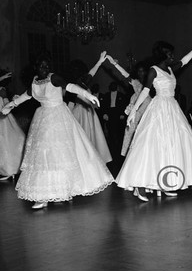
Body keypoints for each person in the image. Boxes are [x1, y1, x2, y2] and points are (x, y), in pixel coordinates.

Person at [0, 55, 114, 209]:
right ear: (36, 67)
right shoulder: (35, 81)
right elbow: (27, 95)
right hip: (42, 118)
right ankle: (43, 196)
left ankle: (63, 190)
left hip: (59, 117)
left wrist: (88, 95)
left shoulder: (54, 78)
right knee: (43, 157)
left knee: (60, 155)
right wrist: (11, 105)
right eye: (42, 66)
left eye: (47, 66)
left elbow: (71, 87)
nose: (45, 69)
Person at [115, 39, 192, 202]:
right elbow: (145, 92)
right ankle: (140, 185)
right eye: (169, 53)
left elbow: (184, 61)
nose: (172, 56)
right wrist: (133, 111)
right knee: (152, 144)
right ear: (162, 54)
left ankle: (167, 183)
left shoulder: (170, 69)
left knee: (172, 145)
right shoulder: (153, 70)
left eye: (172, 53)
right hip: (159, 107)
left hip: (172, 108)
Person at [68, 53, 112, 164]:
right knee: (84, 140)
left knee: (93, 139)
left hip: (89, 113)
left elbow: (90, 74)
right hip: (80, 114)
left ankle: (93, 161)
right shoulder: (73, 86)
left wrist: (100, 61)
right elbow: (70, 103)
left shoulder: (82, 83)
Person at [105, 58, 152, 157]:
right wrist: (115, 64)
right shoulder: (136, 82)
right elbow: (125, 75)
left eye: (142, 71)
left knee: (147, 131)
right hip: (137, 106)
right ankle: (133, 155)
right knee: (133, 129)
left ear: (146, 71)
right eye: (139, 71)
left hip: (149, 106)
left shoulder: (152, 81)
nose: (141, 73)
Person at [0, 71, 26, 180]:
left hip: (3, 117)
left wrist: (12, 101)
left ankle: (10, 169)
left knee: (11, 140)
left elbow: (6, 106)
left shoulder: (2, 90)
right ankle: (7, 170)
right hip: (2, 118)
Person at [101, 81, 127, 157]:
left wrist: (122, 114)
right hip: (110, 113)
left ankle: (119, 148)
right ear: (110, 87)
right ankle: (111, 147)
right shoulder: (106, 95)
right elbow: (104, 105)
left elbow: (123, 105)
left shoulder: (121, 95)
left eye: (114, 85)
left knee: (118, 131)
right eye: (111, 85)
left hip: (118, 114)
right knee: (110, 130)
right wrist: (104, 114)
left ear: (116, 86)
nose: (113, 86)